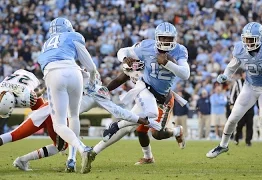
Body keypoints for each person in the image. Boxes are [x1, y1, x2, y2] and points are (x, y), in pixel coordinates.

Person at [83, 22, 190, 170]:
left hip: (162, 100)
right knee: (134, 128)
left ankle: (177, 131)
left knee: (157, 134)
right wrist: (124, 61)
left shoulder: (179, 51)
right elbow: (121, 71)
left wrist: (167, 63)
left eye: (168, 38)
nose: (165, 41)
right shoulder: (142, 53)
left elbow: (185, 74)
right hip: (145, 94)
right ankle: (95, 152)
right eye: (163, 38)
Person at [5, 70, 157, 172]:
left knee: (55, 142)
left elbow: (54, 81)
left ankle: (23, 160)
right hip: (52, 114)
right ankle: (68, 160)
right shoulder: (92, 87)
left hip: (50, 111)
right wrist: (140, 119)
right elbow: (118, 111)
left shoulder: (87, 84)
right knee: (16, 135)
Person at [206, 22, 262, 165]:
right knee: (232, 118)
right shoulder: (239, 48)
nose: (248, 42)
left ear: (261, 38)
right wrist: (226, 75)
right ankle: (223, 145)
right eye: (246, 39)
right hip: (249, 87)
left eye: (252, 39)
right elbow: (233, 65)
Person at [37, 17, 100, 174]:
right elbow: (91, 68)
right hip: (75, 72)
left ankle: (82, 148)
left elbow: (47, 70)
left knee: (59, 124)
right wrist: (92, 82)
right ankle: (71, 159)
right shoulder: (73, 36)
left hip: (54, 74)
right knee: (74, 116)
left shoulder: (45, 46)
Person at [231, 70, 254, 146]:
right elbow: (233, 94)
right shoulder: (237, 82)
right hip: (240, 107)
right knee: (240, 124)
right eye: (245, 74)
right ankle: (236, 138)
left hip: (250, 107)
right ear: (242, 74)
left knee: (249, 124)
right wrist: (231, 104)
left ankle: (248, 141)